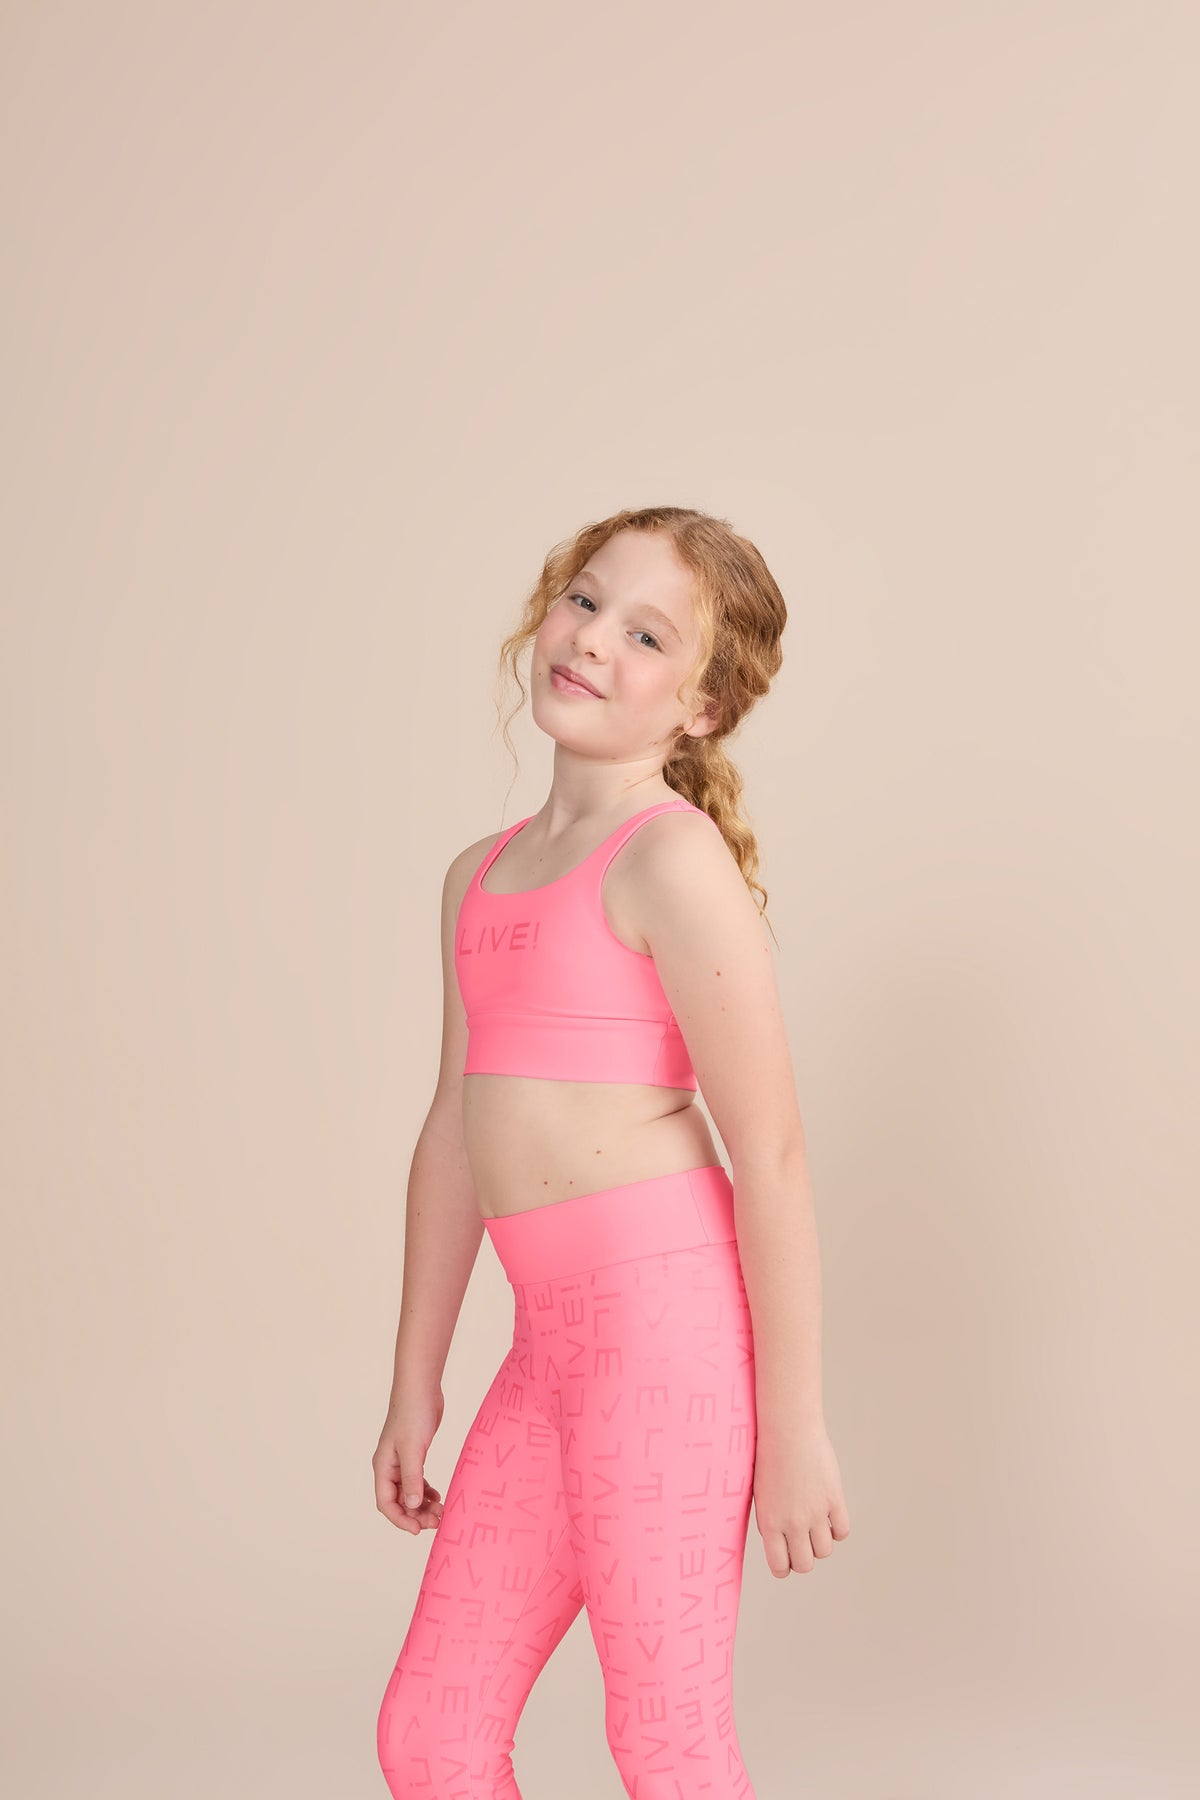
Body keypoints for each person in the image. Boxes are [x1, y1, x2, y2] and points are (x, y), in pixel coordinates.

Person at [373, 505, 850, 1799]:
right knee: (431, 1739)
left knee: (666, 1744)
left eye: (647, 635)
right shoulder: (475, 876)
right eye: (585, 601)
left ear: (701, 708)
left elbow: (773, 1153)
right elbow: (451, 1133)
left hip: (666, 1343)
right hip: (547, 1350)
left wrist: (793, 1425)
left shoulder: (671, 861)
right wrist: (415, 1383)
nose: (591, 640)